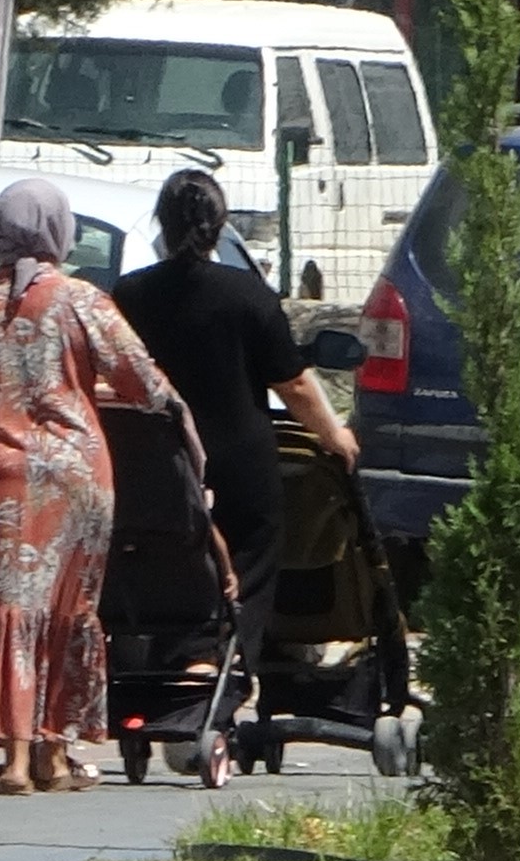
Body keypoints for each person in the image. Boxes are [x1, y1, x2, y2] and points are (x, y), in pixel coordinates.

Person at [0, 181, 191, 793]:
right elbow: (144, 382)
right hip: (74, 474)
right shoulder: (83, 302)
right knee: (66, 608)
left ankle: (10, 760)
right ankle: (54, 756)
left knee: (5, 607)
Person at [112, 170, 360, 666]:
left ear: (161, 223)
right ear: (220, 226)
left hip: (158, 462)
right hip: (238, 462)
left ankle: (173, 659)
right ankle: (217, 666)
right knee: (248, 564)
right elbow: (291, 383)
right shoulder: (248, 295)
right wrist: (334, 436)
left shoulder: (130, 295)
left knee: (168, 558)